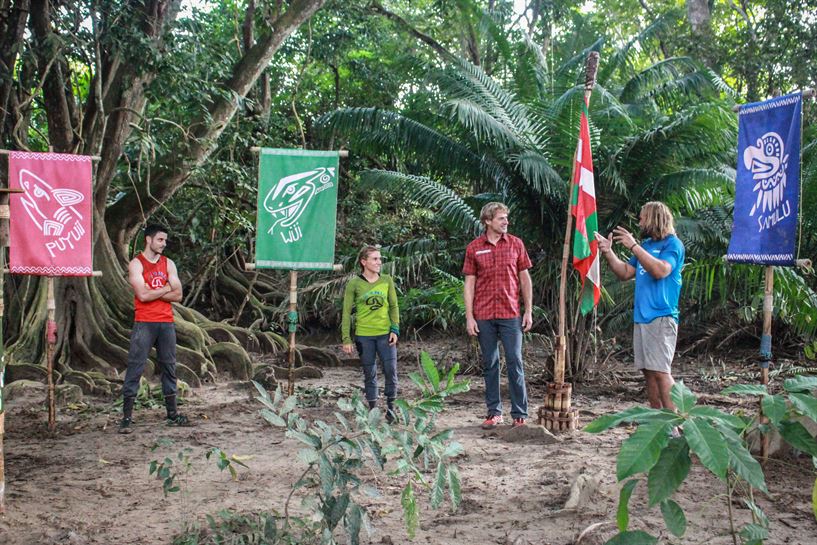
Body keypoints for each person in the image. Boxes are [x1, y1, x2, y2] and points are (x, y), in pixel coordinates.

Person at [596, 201, 685, 411]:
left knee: (661, 371)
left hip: (661, 316)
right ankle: (656, 421)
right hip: (642, 316)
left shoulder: (672, 245)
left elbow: (661, 270)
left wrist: (633, 246)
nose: (640, 221)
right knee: (649, 371)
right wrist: (609, 252)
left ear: (655, 218)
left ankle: (677, 423)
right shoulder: (646, 246)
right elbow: (625, 272)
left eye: (643, 217)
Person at [463, 202, 533, 429]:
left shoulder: (515, 244)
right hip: (483, 314)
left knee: (515, 361)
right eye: (501, 218)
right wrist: (469, 317)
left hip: (510, 313)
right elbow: (469, 284)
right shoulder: (474, 247)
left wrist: (529, 311)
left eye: (506, 218)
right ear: (488, 221)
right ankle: (494, 413)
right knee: (490, 363)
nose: (506, 222)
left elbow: (524, 279)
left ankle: (519, 415)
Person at [119, 224, 188, 434]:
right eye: (160, 240)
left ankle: (172, 413)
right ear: (148, 240)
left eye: (165, 240)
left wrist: (157, 290)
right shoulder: (136, 264)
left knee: (169, 366)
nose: (164, 244)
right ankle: (127, 417)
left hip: (166, 322)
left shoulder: (169, 264)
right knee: (135, 366)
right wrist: (167, 287)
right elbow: (142, 296)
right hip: (144, 323)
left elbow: (178, 295)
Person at [341, 245, 400, 423]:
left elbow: (394, 306)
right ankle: (373, 410)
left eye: (379, 259)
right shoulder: (355, 283)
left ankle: (391, 409)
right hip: (364, 335)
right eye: (375, 259)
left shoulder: (387, 280)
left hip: (385, 334)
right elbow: (345, 312)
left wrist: (395, 329)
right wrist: (346, 338)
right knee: (370, 372)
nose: (379, 262)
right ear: (364, 262)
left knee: (391, 370)